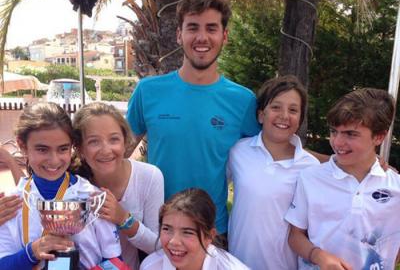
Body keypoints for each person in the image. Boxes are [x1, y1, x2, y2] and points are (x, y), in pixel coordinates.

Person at [126, 0, 260, 237]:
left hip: (212, 233)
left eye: (211, 28)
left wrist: (333, 161)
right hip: (158, 230)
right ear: (179, 35)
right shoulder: (148, 91)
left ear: (224, 36)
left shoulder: (242, 101)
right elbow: (117, 151)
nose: (201, 37)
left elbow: (272, 154)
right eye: (192, 27)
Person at [285, 88, 400, 269]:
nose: (337, 142)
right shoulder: (311, 178)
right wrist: (319, 256)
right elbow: (295, 235)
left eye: (350, 134)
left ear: (379, 136)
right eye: (333, 131)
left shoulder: (396, 187)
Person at [0, 102, 121, 269]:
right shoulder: (10, 205)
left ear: (72, 146)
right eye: (42, 150)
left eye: (63, 149)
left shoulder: (93, 197)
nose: (54, 160)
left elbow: (115, 260)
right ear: (22, 146)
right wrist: (32, 252)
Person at [227, 75, 320, 269]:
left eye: (293, 110)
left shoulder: (310, 167)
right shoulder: (238, 151)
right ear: (261, 115)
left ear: (300, 119)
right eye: (276, 107)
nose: (284, 115)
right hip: (237, 263)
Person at [72, 102, 164, 269]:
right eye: (94, 142)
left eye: (114, 139)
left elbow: (157, 246)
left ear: (125, 141)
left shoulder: (149, 176)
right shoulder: (71, 182)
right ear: (80, 149)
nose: (106, 150)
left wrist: (124, 219)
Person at [139, 188, 249, 270]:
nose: (174, 241)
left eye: (187, 232)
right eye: (167, 229)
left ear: (209, 236)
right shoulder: (150, 266)